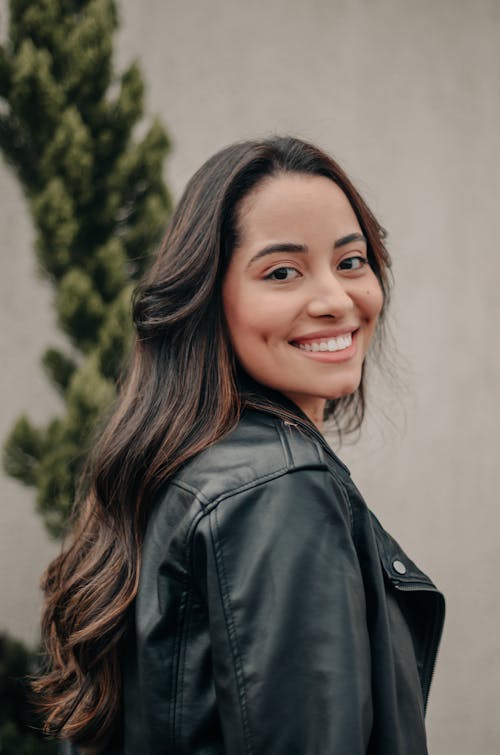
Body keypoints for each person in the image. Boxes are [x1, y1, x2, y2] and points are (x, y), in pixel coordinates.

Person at [35, 136, 445, 755]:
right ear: (207, 299)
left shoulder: (178, 470)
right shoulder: (279, 490)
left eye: (351, 261)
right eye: (282, 272)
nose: (336, 300)